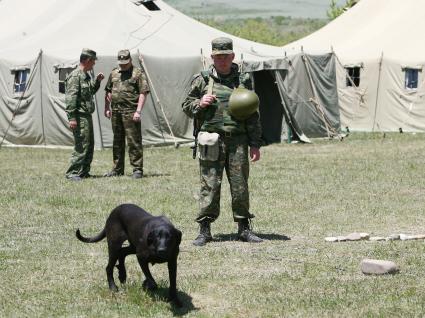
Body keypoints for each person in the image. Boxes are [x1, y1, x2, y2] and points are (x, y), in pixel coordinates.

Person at [182, 37, 263, 246]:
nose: (223, 60)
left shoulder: (243, 80)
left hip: (238, 141)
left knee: (240, 185)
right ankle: (205, 230)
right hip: (211, 142)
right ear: (213, 57)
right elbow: (186, 105)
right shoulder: (201, 80)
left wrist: (255, 144)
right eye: (219, 56)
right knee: (209, 185)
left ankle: (244, 228)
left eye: (226, 55)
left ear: (233, 56)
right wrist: (200, 103)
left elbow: (253, 113)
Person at [103, 49, 150, 179]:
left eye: (125, 62)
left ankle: (137, 169)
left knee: (133, 141)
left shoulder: (137, 73)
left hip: (131, 112)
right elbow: (108, 91)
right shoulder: (114, 73)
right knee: (117, 142)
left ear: (130, 60)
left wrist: (138, 111)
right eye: (121, 62)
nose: (123, 65)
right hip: (116, 112)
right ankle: (117, 169)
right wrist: (107, 108)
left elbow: (143, 92)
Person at [65, 48, 104, 181]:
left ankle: (84, 172)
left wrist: (97, 82)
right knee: (81, 145)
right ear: (87, 60)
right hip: (79, 116)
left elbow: (90, 92)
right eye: (93, 61)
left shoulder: (85, 76)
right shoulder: (76, 76)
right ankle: (72, 173)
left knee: (89, 144)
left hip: (86, 115)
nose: (94, 64)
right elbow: (71, 98)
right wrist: (72, 118)